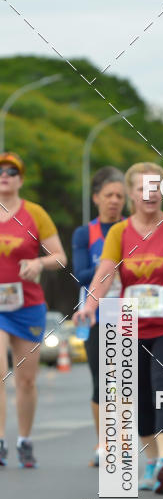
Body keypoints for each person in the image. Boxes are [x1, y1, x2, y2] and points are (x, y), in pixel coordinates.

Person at [76, 162, 163, 494]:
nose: (149, 194)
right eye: (142, 189)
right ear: (132, 195)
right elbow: (105, 273)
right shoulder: (119, 233)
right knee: (137, 396)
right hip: (130, 327)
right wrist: (90, 305)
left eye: (156, 188)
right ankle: (151, 461)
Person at [0, 152, 67, 468]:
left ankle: (24, 440)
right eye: (0, 170)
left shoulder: (35, 213)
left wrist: (38, 262)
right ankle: (0, 441)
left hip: (27, 305)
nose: (5, 175)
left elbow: (59, 257)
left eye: (12, 171)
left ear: (21, 179)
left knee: (26, 380)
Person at [72, 166, 126, 466]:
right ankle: (104, 442)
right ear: (96, 198)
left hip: (127, 310)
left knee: (126, 379)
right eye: (108, 195)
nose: (114, 201)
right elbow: (80, 273)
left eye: (120, 195)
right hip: (95, 312)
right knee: (101, 381)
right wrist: (109, 267)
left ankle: (123, 441)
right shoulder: (85, 233)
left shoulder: (133, 229)